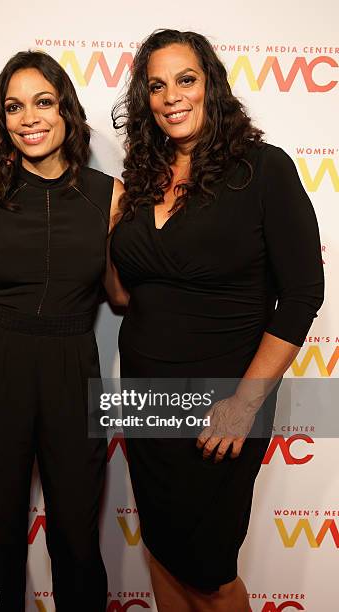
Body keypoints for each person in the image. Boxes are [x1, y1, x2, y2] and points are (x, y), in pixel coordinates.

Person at [108, 29, 324, 612]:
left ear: (212, 87)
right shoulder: (140, 181)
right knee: (160, 546)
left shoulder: (263, 170)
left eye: (186, 80)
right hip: (145, 397)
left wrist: (244, 403)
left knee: (209, 568)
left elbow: (304, 294)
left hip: (222, 404)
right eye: (156, 85)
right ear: (144, 100)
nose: (171, 96)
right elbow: (125, 293)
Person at [0, 50, 123, 611]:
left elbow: (119, 294)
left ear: (66, 110)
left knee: (76, 537)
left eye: (43, 102)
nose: (30, 118)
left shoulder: (109, 195)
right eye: (14, 107)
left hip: (74, 367)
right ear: (2, 119)